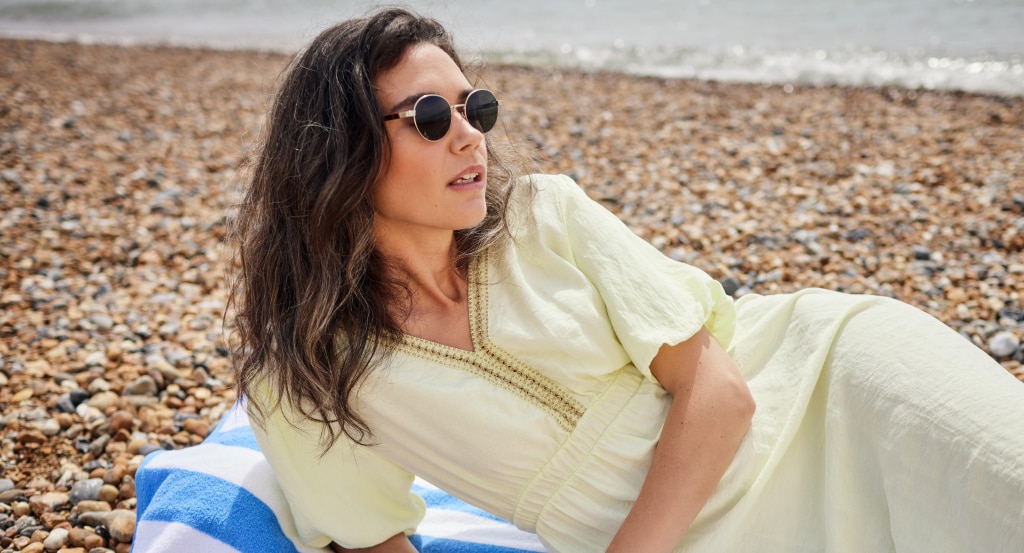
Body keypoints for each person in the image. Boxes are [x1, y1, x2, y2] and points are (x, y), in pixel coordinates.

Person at [228, 8, 1024, 553]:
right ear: (339, 151)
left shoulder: (544, 216)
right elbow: (371, 538)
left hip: (829, 390)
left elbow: (721, 391)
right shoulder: (305, 373)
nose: (471, 137)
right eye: (431, 118)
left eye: (476, 108)